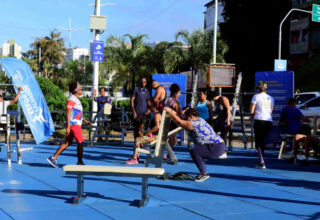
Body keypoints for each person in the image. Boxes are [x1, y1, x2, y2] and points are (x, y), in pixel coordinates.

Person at [165, 107, 226, 182]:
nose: (185, 119)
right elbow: (180, 119)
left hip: (215, 147)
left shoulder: (194, 124)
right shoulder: (199, 119)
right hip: (219, 144)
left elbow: (179, 122)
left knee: (195, 151)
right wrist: (171, 111)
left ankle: (204, 173)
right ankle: (205, 170)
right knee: (197, 151)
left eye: (186, 118)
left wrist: (170, 111)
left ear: (191, 117)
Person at [47, 82, 92, 168]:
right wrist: (68, 126)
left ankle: (53, 158)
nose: (82, 89)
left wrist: (85, 121)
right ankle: (80, 162)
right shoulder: (71, 98)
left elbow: (76, 113)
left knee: (68, 142)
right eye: (80, 88)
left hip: (74, 124)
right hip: (73, 125)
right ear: (76, 90)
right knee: (80, 141)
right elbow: (68, 112)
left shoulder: (76, 99)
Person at [281, 98, 318, 165]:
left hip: (287, 129)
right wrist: (309, 121)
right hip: (296, 129)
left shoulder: (284, 109)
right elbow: (303, 118)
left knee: (301, 134)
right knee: (307, 130)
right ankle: (309, 147)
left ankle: (296, 154)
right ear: (293, 103)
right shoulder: (295, 110)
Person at [125, 77, 151, 165]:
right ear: (140, 82)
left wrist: (150, 109)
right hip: (137, 114)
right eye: (142, 82)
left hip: (144, 114)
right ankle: (136, 156)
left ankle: (141, 144)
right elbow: (131, 100)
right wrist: (134, 111)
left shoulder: (147, 91)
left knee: (140, 132)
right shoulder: (136, 89)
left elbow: (148, 102)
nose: (144, 83)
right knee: (136, 134)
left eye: (145, 82)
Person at [249, 81, 274, 169]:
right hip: (268, 121)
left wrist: (251, 116)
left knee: (259, 141)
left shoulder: (256, 97)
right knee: (262, 141)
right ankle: (260, 160)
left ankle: (262, 162)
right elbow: (271, 110)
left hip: (259, 120)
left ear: (259, 88)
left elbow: (251, 110)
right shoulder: (271, 98)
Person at [0, 87, 23, 152]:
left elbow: (15, 100)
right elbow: (15, 100)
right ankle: (7, 140)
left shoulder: (4, 102)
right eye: (1, 97)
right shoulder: (5, 102)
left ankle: (6, 139)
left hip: (4, 122)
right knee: (12, 123)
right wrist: (19, 91)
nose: (2, 98)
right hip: (4, 122)